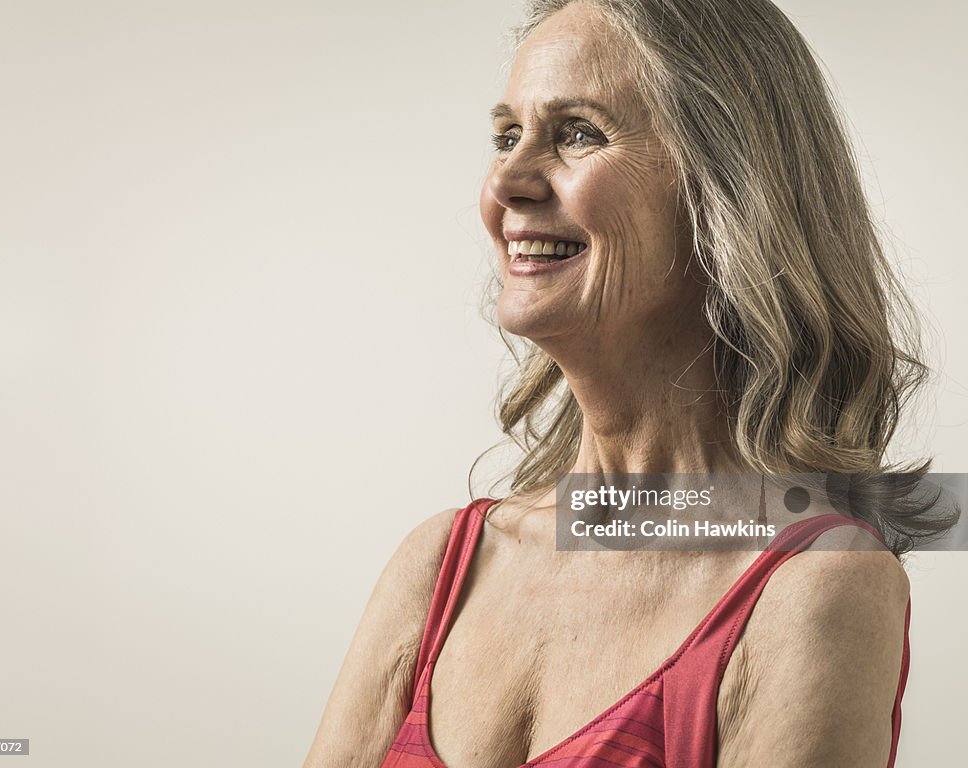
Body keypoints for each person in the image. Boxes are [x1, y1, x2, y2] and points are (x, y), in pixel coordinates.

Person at [304, 1, 957, 766]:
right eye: (506, 136)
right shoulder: (438, 562)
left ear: (731, 185)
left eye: (577, 132)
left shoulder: (819, 586)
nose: (507, 182)